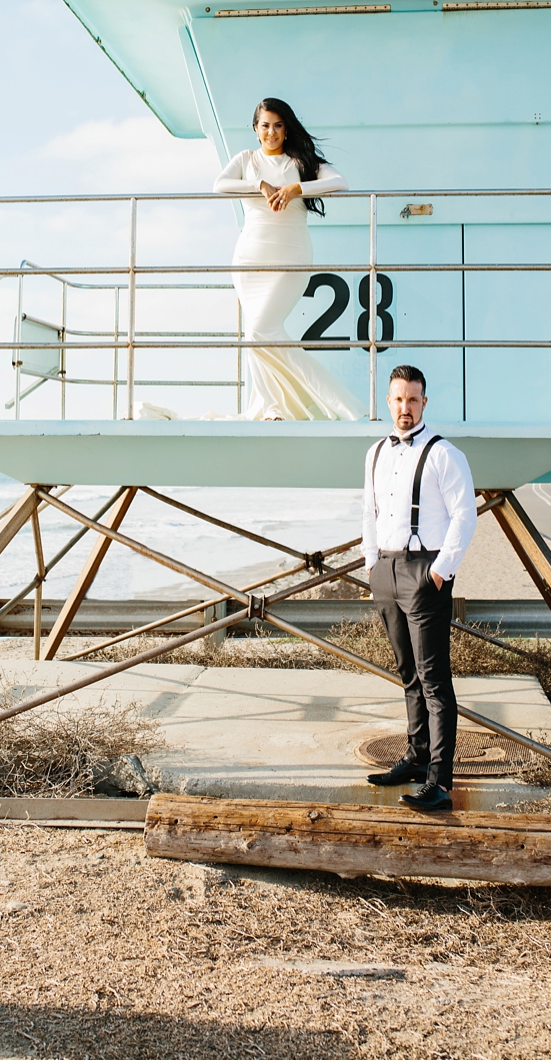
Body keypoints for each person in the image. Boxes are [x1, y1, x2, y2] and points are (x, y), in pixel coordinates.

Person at [362, 364, 477, 813]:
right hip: (387, 571)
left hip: (424, 571)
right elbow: (368, 513)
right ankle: (415, 756)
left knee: (434, 680)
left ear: (424, 403)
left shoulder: (444, 454)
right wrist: (372, 566)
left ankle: (440, 781)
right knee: (406, 672)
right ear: (387, 402)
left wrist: (440, 571)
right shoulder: (374, 453)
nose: (404, 408)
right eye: (397, 399)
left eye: (412, 399)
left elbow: (464, 517)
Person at [213, 97, 362, 421]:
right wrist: (259, 184)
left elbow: (340, 182)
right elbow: (219, 184)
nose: (272, 132)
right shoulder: (246, 159)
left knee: (260, 329)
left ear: (286, 127)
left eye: (278, 125)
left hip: (291, 254)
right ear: (255, 129)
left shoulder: (300, 161)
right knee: (255, 333)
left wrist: (296, 188)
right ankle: (272, 407)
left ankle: (332, 402)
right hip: (250, 257)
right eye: (265, 125)